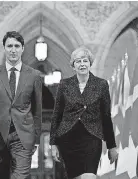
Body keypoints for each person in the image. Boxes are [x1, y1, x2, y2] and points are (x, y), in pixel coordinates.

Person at [0, 31, 42, 179]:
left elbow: (37, 110)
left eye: (17, 46)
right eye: (9, 46)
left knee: (19, 176)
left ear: (23, 48)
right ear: (4, 48)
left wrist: (37, 139)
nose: (13, 50)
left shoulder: (34, 75)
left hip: (23, 136)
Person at [50, 47, 118, 179]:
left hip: (91, 137)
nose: (82, 64)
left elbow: (106, 117)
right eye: (78, 61)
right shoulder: (65, 84)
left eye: (85, 61)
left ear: (90, 63)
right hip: (68, 138)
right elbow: (56, 115)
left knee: (89, 176)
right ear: (73, 66)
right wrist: (53, 144)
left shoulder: (101, 84)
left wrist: (112, 146)